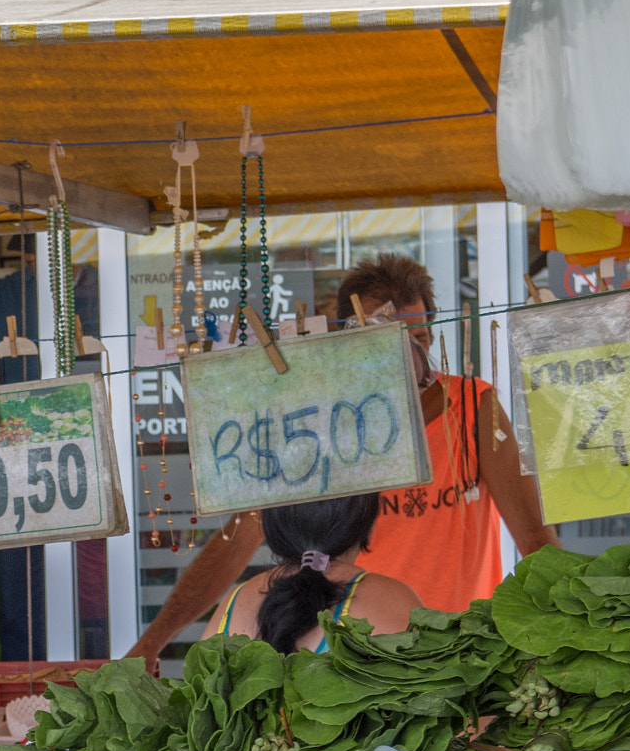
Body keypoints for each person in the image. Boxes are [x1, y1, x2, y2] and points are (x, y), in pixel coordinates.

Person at [133, 253, 563, 664]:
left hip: (462, 657)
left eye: (418, 339)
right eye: (382, 337)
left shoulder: (474, 407)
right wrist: (153, 641)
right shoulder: (322, 423)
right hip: (353, 661)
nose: (405, 357)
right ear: (346, 337)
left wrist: (562, 640)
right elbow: (237, 542)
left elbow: (537, 543)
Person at [202, 493, 421, 653]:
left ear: (273, 525)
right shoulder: (393, 601)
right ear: (369, 525)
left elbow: (199, 707)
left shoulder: (234, 602)